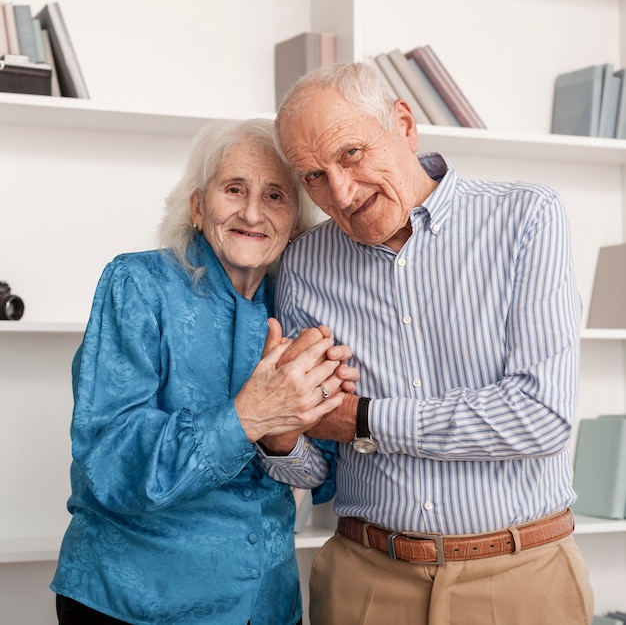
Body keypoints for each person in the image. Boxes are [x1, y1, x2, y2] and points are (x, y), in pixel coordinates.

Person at [262, 62, 595, 625]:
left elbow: (543, 416)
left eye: (350, 154)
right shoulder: (303, 265)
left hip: (521, 576)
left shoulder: (526, 218)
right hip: (364, 580)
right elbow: (314, 465)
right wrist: (278, 436)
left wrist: (366, 420)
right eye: (314, 176)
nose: (339, 192)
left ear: (404, 125)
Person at [50, 118, 358, 625]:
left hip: (265, 603)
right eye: (234, 189)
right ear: (197, 206)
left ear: (296, 220)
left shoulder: (301, 305)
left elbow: (321, 467)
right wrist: (246, 418)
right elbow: (111, 458)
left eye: (276, 195)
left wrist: (283, 442)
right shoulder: (137, 284)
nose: (253, 212)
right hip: (137, 602)